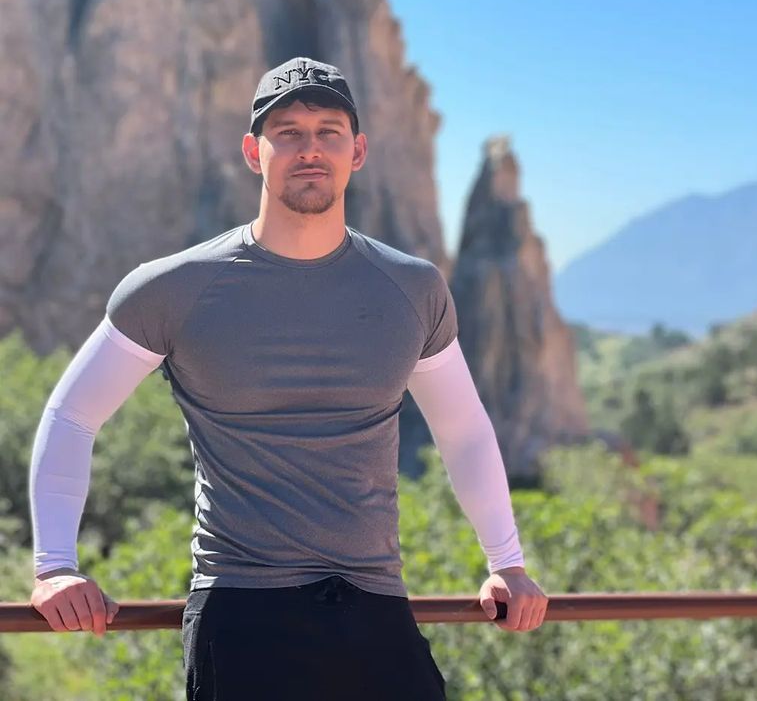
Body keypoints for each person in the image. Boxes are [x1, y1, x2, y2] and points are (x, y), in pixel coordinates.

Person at [28, 57, 548, 699]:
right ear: (255, 152)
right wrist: (55, 566)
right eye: (289, 132)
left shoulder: (413, 288)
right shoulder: (172, 287)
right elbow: (72, 415)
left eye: (329, 132)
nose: (310, 149)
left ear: (358, 151)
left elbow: (463, 430)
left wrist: (507, 562)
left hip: (377, 610)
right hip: (241, 615)